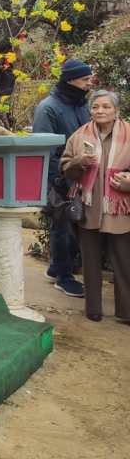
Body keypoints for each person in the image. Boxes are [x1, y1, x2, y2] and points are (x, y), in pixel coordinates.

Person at [59, 90, 130, 323]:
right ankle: (93, 309)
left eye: (106, 107)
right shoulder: (79, 135)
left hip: (120, 210)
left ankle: (126, 312)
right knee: (90, 262)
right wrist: (79, 162)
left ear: (116, 110)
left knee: (124, 261)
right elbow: (65, 168)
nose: (100, 111)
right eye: (96, 107)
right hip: (88, 207)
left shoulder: (129, 133)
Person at [33, 59, 93, 298]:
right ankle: (64, 277)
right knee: (63, 227)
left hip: (81, 176)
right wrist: (58, 181)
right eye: (85, 79)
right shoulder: (47, 108)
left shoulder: (81, 104)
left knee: (73, 225)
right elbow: (44, 149)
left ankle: (56, 268)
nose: (89, 83)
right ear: (70, 80)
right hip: (59, 179)